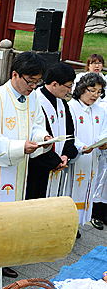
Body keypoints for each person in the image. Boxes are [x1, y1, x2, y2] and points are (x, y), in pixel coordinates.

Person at [0, 51, 51, 277]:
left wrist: (42, 138)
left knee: (14, 211)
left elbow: (37, 124)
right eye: (30, 81)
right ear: (15, 74)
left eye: (38, 82)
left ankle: (4, 256)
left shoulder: (33, 97)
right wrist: (19, 148)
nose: (34, 87)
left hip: (19, 169)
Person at [26, 62, 78, 200]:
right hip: (38, 169)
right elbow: (34, 136)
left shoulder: (62, 104)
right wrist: (54, 161)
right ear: (54, 84)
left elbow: (69, 133)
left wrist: (66, 155)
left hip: (58, 164)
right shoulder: (35, 101)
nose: (70, 91)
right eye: (68, 86)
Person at [67, 72, 107, 233]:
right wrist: (81, 147)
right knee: (70, 190)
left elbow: (103, 132)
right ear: (82, 88)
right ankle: (67, 223)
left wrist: (103, 143)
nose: (95, 95)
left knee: (87, 191)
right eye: (92, 90)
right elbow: (69, 133)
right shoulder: (71, 107)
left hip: (93, 160)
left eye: (99, 92)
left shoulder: (100, 111)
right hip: (76, 159)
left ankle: (78, 222)